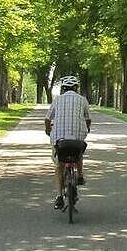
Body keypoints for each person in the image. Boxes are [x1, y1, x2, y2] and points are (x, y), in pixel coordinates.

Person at [45, 75, 92, 210]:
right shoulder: (82, 100)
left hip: (60, 140)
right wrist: (86, 129)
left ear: (63, 88)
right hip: (77, 139)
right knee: (78, 151)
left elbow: (47, 119)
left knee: (59, 165)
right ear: (76, 88)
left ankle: (59, 196)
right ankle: (80, 175)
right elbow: (88, 119)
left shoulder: (57, 100)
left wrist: (48, 130)